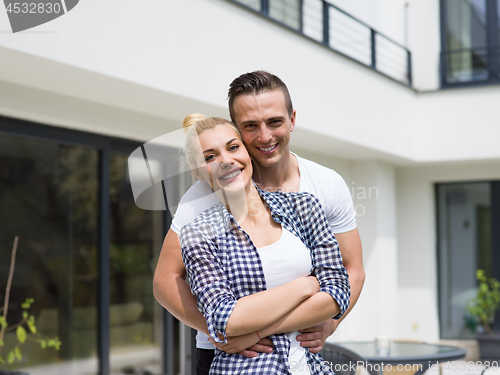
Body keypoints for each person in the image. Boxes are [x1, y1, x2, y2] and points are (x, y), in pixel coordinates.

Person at [153, 71, 365, 375]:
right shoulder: (200, 197)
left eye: (275, 122)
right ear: (237, 129)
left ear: (292, 119)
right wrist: (219, 331)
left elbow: (351, 269)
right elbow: (165, 281)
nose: (264, 136)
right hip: (225, 357)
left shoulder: (323, 186)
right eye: (250, 126)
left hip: (300, 350)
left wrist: (331, 323)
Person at [179, 114, 350, 374]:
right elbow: (225, 319)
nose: (226, 161)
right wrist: (307, 285)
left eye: (233, 147)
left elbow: (338, 291)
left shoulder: (303, 207)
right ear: (197, 172)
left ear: (247, 152)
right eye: (210, 157)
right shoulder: (197, 233)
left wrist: (260, 329)